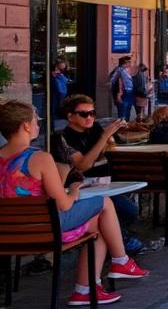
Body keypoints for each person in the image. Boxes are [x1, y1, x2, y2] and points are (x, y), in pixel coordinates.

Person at [1, 101, 150, 306]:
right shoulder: (40, 158)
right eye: (36, 121)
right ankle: (111, 268)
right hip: (44, 231)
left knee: (100, 221)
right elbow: (63, 205)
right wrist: (73, 190)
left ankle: (96, 282)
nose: (38, 125)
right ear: (26, 125)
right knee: (103, 206)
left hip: (6, 234)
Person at [56, 95, 149, 257]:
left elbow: (107, 149)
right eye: (84, 114)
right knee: (127, 209)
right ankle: (120, 241)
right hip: (82, 187)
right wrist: (104, 137)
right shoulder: (64, 137)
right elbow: (83, 165)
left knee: (131, 210)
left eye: (92, 113)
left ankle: (115, 238)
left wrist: (111, 137)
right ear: (70, 116)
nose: (90, 117)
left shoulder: (95, 129)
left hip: (106, 183)